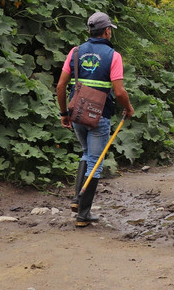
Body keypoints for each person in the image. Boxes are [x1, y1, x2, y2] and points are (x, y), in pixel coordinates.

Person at [56, 11, 136, 228]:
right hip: (100, 116)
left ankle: (77, 200)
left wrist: (64, 113)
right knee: (95, 161)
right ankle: (83, 213)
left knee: (86, 154)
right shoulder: (114, 56)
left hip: (77, 114)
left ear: (90, 31)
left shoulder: (75, 52)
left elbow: (61, 86)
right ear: (107, 31)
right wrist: (128, 108)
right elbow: (119, 92)